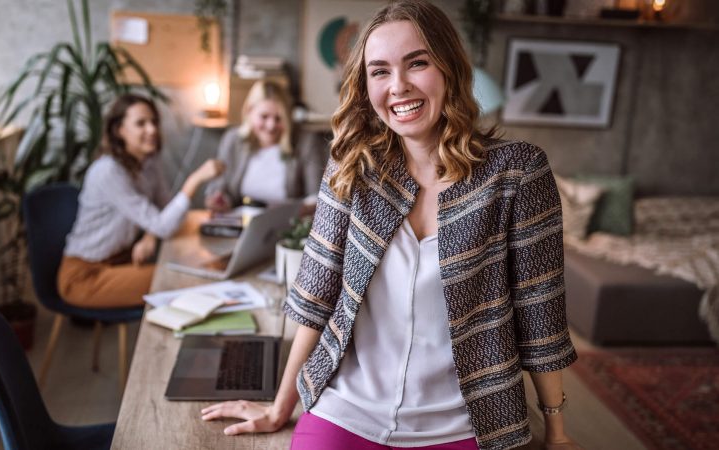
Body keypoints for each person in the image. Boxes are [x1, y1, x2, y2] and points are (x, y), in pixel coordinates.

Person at [201, 1, 581, 449]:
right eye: (379, 71)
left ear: (449, 68)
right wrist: (281, 406)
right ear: (366, 86)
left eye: (416, 63)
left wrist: (556, 433)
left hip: (465, 421)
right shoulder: (353, 166)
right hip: (348, 408)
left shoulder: (517, 172)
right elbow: (314, 296)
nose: (398, 86)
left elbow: (540, 312)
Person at [58, 94, 224, 308]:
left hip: (120, 262)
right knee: (178, 278)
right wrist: (194, 180)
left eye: (154, 122)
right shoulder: (109, 171)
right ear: (120, 130)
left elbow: (164, 212)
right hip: (84, 275)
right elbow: (164, 224)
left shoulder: (148, 162)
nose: (152, 130)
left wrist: (149, 234)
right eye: (140, 123)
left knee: (195, 267)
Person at [203, 80, 324, 211]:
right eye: (264, 117)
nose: (271, 126)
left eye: (278, 118)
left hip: (288, 224)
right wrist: (220, 200)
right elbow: (220, 189)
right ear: (249, 112)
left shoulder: (306, 142)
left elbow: (316, 196)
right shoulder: (233, 140)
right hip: (242, 222)